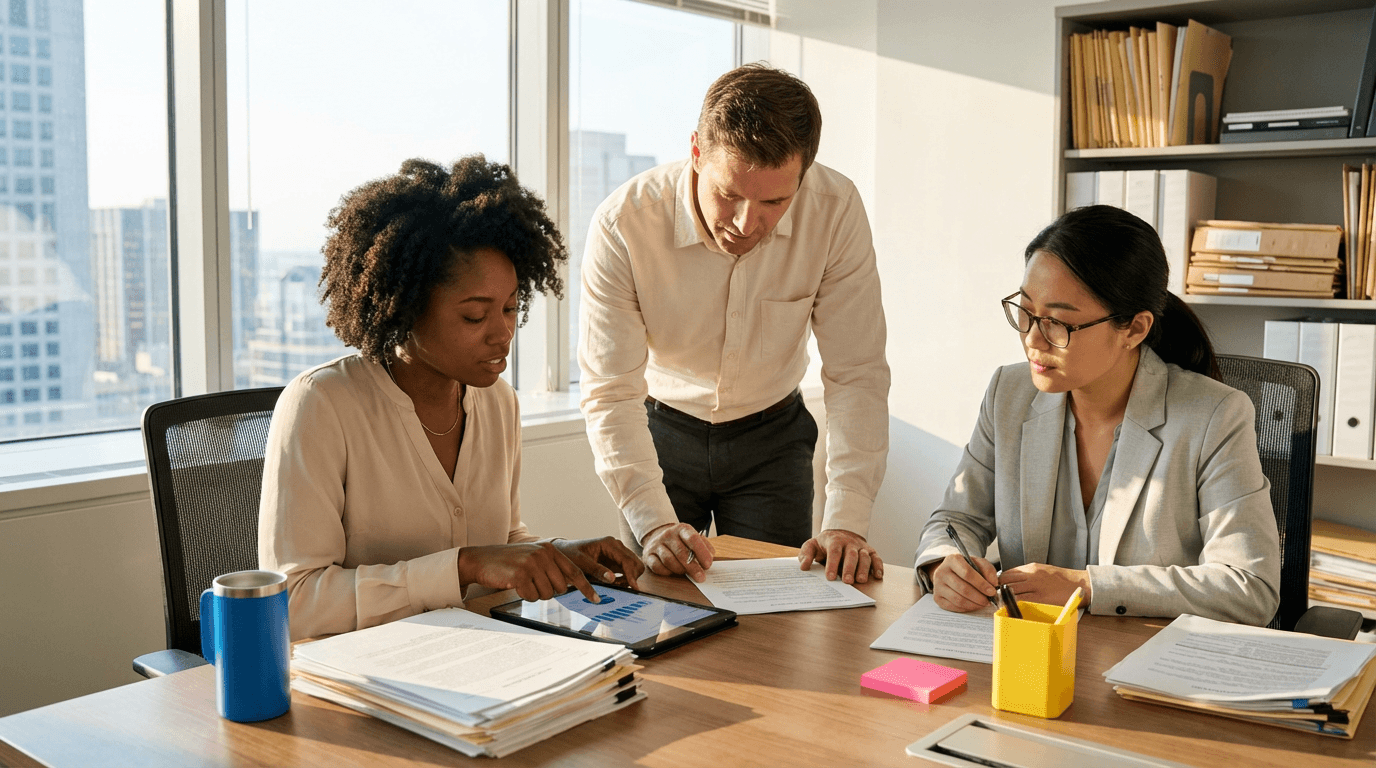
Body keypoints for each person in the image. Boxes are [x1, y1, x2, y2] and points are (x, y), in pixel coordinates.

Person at [259, 156, 644, 640]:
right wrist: (463, 566)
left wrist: (559, 553)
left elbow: (499, 543)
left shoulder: (498, 403)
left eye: (510, 308)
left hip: (472, 656)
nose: (503, 334)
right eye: (474, 317)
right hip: (364, 676)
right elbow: (294, 602)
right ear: (406, 307)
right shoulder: (321, 405)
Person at [578, 64, 891, 586]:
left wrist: (847, 524)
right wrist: (653, 523)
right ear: (697, 152)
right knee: (656, 608)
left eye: (774, 201)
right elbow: (610, 392)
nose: (748, 224)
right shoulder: (624, 224)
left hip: (773, 439)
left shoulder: (834, 210)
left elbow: (857, 372)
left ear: (803, 174)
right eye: (730, 194)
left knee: (779, 614)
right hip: (660, 434)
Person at [913, 205, 1281, 625]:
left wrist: (1088, 587)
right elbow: (956, 519)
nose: (1033, 339)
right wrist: (941, 564)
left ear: (1135, 329)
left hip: (1144, 663)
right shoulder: (1007, 394)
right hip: (1030, 663)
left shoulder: (1216, 416)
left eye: (1058, 323)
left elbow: (1250, 588)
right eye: (1026, 311)